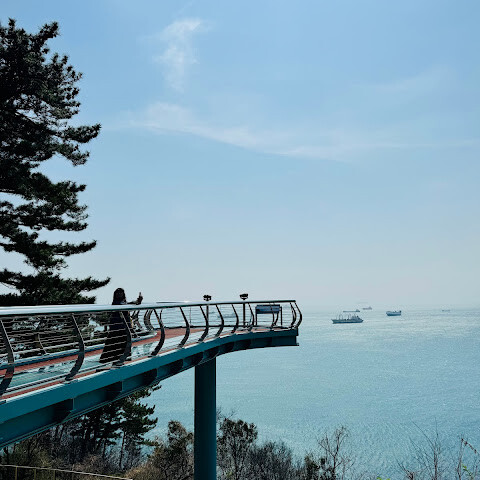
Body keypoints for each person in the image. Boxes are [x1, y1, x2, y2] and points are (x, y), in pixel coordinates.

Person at [99, 288, 143, 364]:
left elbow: (128, 304)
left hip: (122, 327)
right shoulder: (116, 303)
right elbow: (125, 306)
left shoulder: (123, 302)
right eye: (118, 293)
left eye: (121, 293)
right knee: (115, 343)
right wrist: (136, 302)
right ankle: (115, 359)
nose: (119, 294)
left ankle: (120, 358)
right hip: (117, 327)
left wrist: (137, 301)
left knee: (121, 343)